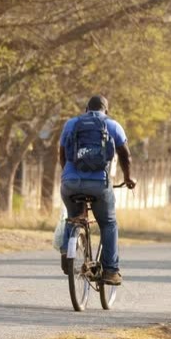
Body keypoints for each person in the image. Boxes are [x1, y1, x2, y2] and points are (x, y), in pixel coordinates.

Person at [58, 95, 135, 285]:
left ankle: (68, 254)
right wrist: (127, 177)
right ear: (106, 111)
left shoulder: (71, 124)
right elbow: (125, 155)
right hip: (99, 184)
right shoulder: (113, 125)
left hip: (70, 183)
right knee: (108, 224)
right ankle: (110, 270)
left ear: (86, 109)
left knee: (73, 215)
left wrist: (68, 176)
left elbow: (61, 153)